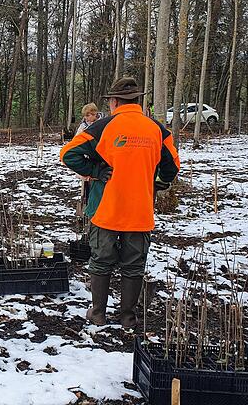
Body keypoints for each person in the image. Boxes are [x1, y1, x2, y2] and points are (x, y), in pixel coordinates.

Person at [60, 77, 180, 329]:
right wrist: (158, 182)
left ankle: (98, 314)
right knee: (134, 265)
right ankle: (128, 317)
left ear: (113, 102)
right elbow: (172, 167)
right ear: (138, 100)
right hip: (140, 210)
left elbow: (68, 154)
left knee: (101, 260)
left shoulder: (102, 127)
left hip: (107, 208)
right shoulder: (157, 129)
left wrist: (94, 170)